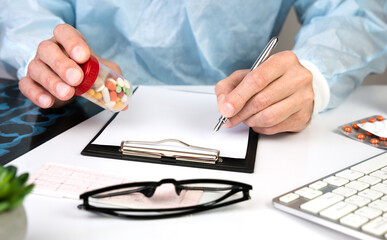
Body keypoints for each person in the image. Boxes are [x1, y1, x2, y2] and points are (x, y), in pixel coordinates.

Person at [0, 1, 386, 135]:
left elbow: (358, 10)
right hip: (85, 113)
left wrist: (316, 75)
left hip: (239, 117)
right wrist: (45, 55)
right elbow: (25, 10)